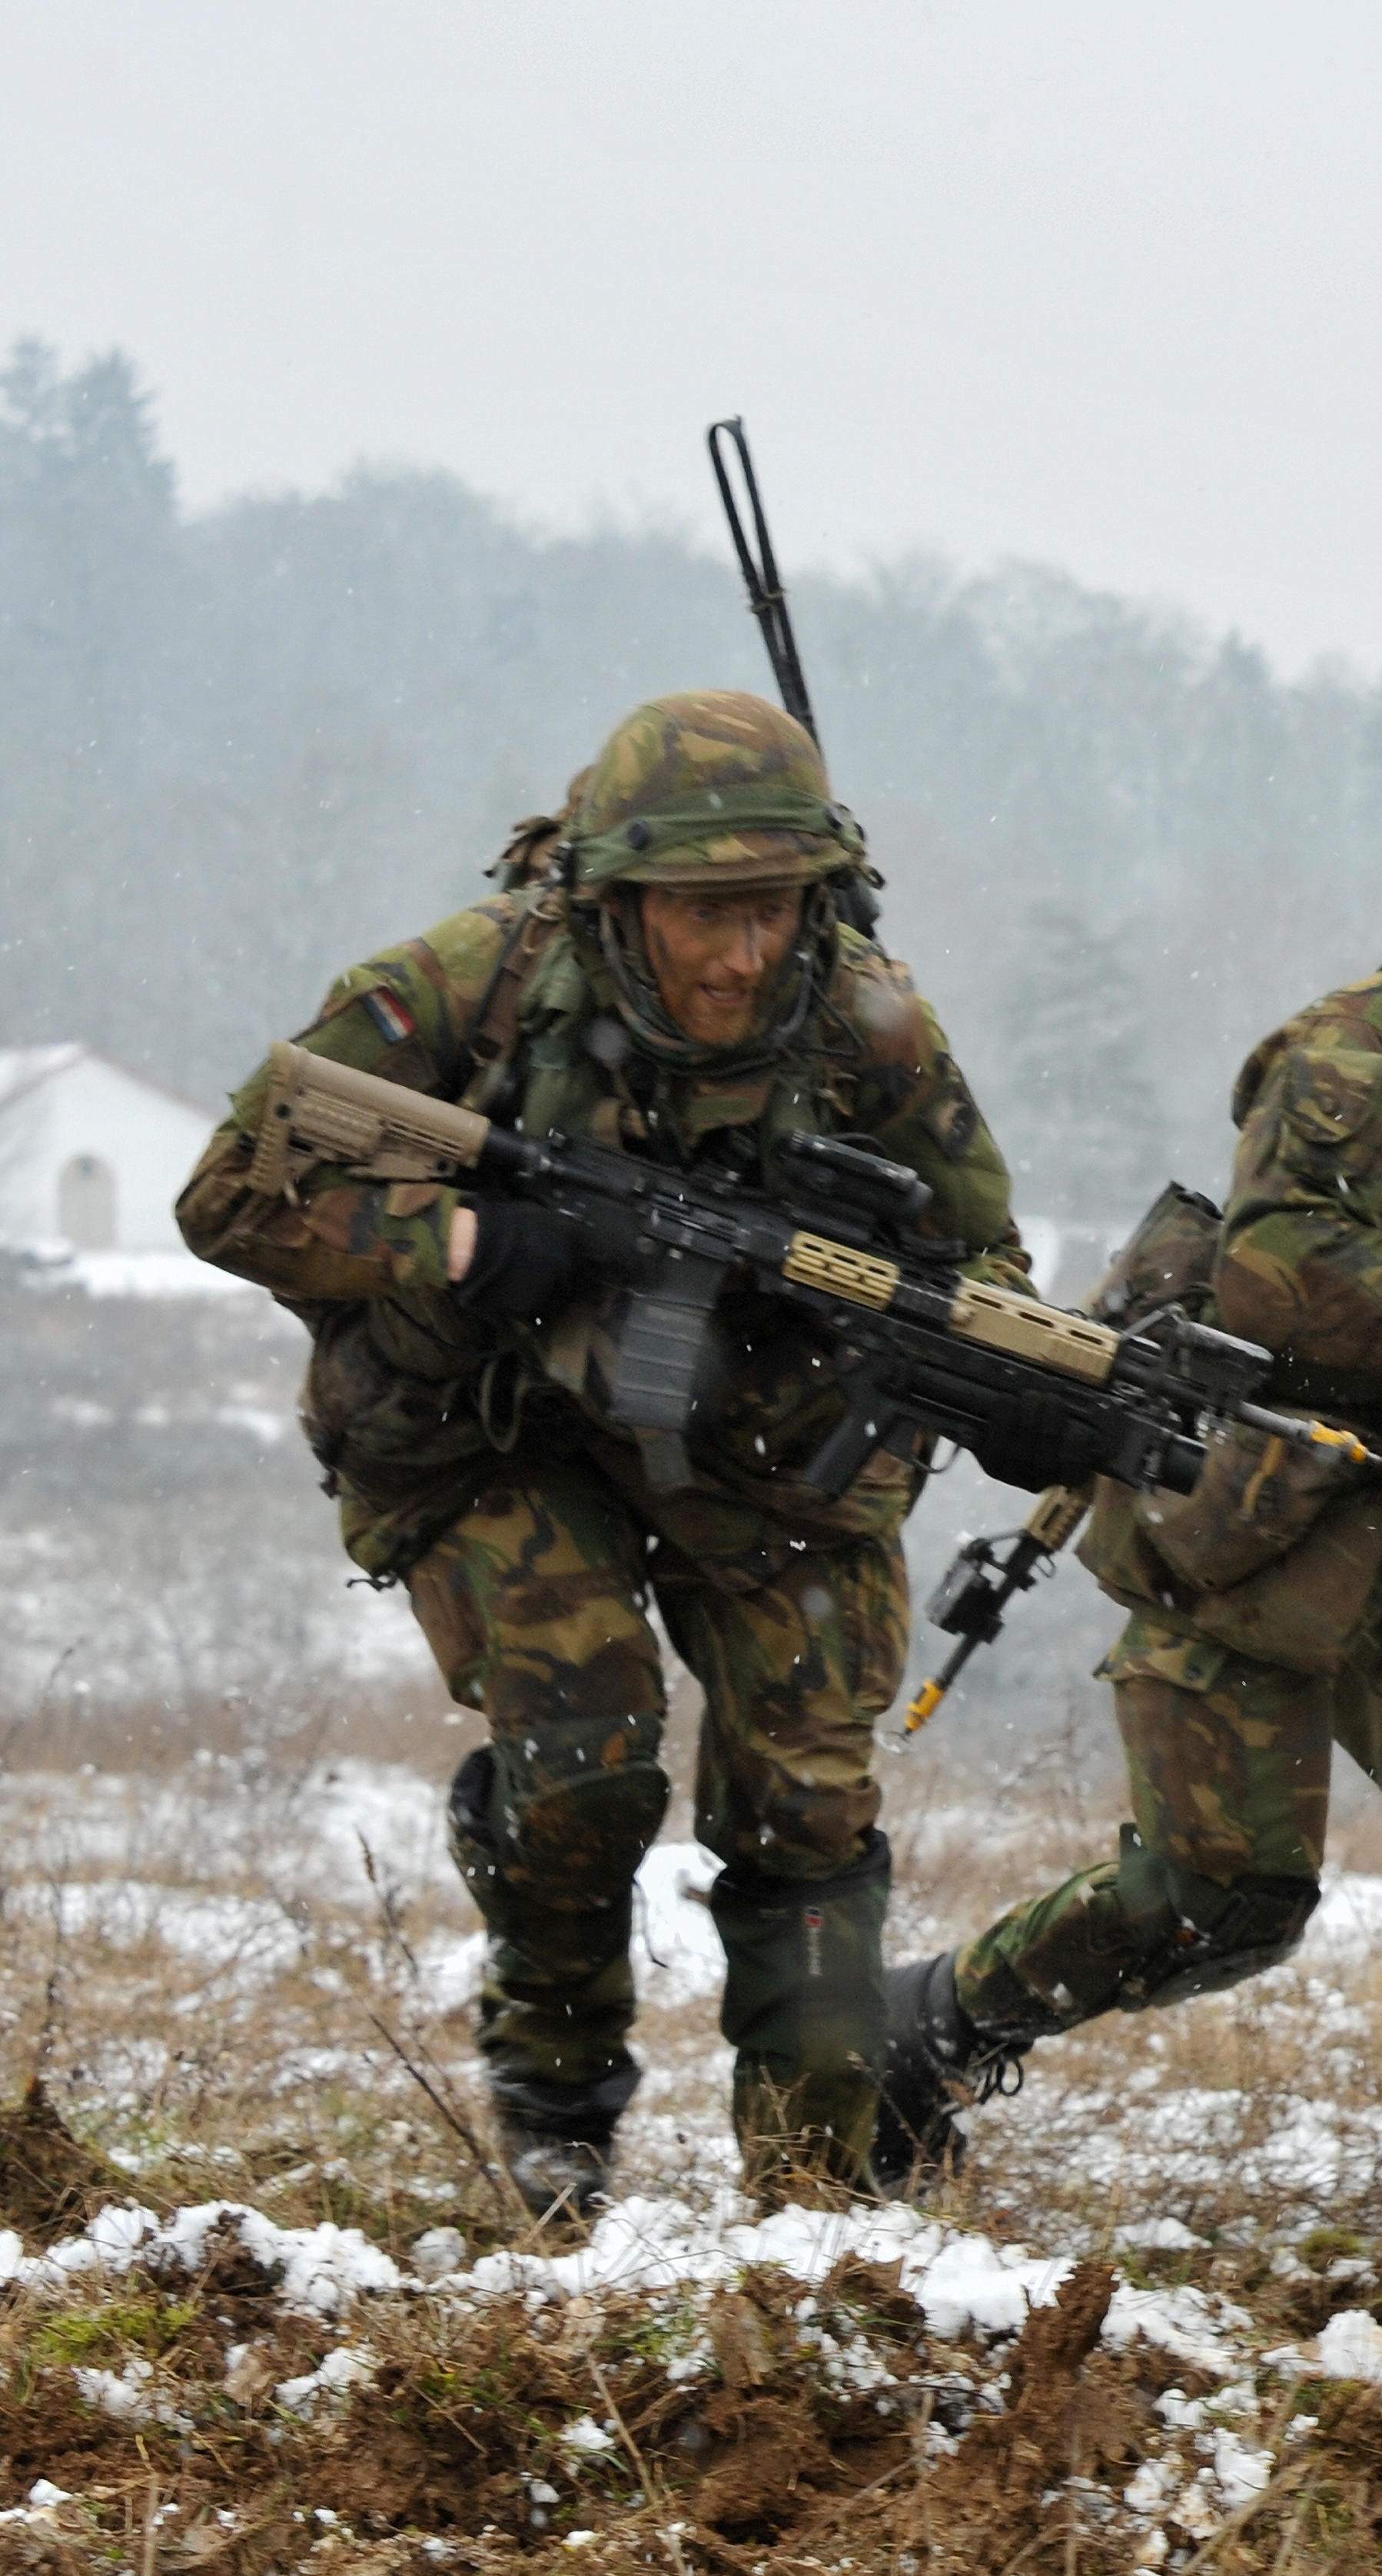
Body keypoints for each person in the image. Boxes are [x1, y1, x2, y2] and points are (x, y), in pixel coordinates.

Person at [176, 690, 1026, 2214]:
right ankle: (557, 2089)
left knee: (809, 1807)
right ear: (614, 895)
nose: (738, 954)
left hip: (762, 1448)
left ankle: (818, 2186)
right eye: (700, 914)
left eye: (772, 909)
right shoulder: (467, 982)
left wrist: (1010, 1384)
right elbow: (232, 1190)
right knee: (582, 1764)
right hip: (494, 1426)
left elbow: (982, 1262)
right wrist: (459, 1237)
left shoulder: (869, 1025)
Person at [872, 733, 1382, 2222]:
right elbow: (1272, 1274)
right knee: (1220, 1902)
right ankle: (922, 2031)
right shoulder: (1372, 1049)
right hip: (1270, 1508)